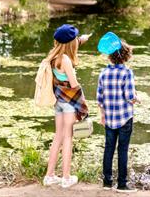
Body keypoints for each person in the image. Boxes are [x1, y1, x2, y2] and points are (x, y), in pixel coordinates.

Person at [43, 24, 90, 188]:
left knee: (58, 137)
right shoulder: (66, 60)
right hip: (69, 105)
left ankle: (49, 176)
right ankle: (66, 177)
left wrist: (81, 40)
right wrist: (84, 105)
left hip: (59, 103)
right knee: (68, 138)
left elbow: (68, 44)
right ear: (71, 43)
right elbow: (74, 85)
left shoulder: (54, 56)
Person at [97, 33, 139, 193]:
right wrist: (137, 98)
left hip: (109, 118)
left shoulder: (103, 73)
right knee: (122, 149)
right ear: (126, 56)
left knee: (108, 149)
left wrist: (102, 115)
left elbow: (99, 98)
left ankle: (107, 182)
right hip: (124, 118)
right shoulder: (127, 73)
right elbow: (129, 97)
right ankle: (122, 184)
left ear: (110, 56)